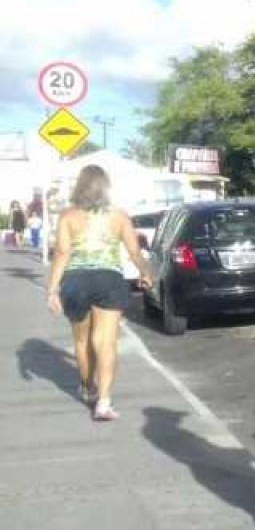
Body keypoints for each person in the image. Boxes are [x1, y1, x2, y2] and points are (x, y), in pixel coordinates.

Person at [45, 165, 152, 421]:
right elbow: (134, 252)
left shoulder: (68, 216)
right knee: (105, 342)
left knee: (82, 341)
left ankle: (87, 387)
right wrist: (145, 272)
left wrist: (53, 289)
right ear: (106, 187)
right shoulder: (120, 216)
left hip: (75, 280)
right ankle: (104, 402)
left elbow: (61, 253)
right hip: (109, 279)